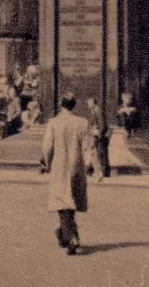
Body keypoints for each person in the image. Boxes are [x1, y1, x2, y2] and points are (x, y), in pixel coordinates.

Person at [41, 92, 90, 256]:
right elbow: (88, 147)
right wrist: (89, 165)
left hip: (59, 166)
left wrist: (47, 163)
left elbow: (48, 146)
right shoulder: (82, 123)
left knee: (62, 201)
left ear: (61, 105)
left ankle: (72, 238)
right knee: (70, 200)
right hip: (76, 167)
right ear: (74, 105)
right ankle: (63, 234)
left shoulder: (54, 123)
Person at [86, 97, 111, 181]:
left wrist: (99, 135)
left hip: (100, 136)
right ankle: (90, 170)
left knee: (101, 154)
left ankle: (105, 173)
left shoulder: (98, 111)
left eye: (89, 104)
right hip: (96, 135)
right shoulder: (95, 111)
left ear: (93, 103)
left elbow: (102, 125)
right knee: (96, 153)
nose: (88, 106)